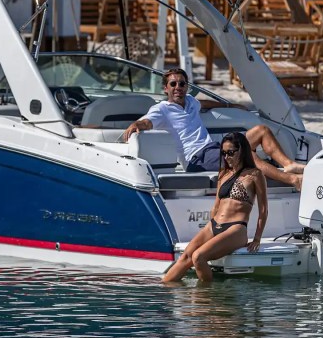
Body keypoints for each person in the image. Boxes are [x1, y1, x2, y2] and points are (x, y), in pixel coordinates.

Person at [122, 68, 304, 190]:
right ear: (165, 88)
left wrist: (231, 105)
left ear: (187, 87)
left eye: (182, 84)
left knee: (261, 130)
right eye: (173, 84)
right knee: (247, 155)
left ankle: (289, 165)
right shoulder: (162, 109)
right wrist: (136, 124)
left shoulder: (191, 102)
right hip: (196, 159)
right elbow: (147, 122)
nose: (178, 87)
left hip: (214, 148)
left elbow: (206, 103)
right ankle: (293, 181)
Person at [162, 132, 268, 282]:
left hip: (236, 228)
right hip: (214, 225)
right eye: (224, 153)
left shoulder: (255, 175)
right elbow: (216, 206)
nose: (226, 157)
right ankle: (164, 291)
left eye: (230, 153)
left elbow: (263, 209)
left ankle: (208, 299)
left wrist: (257, 238)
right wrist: (210, 229)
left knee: (198, 257)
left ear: (242, 151)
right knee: (186, 256)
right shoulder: (223, 174)